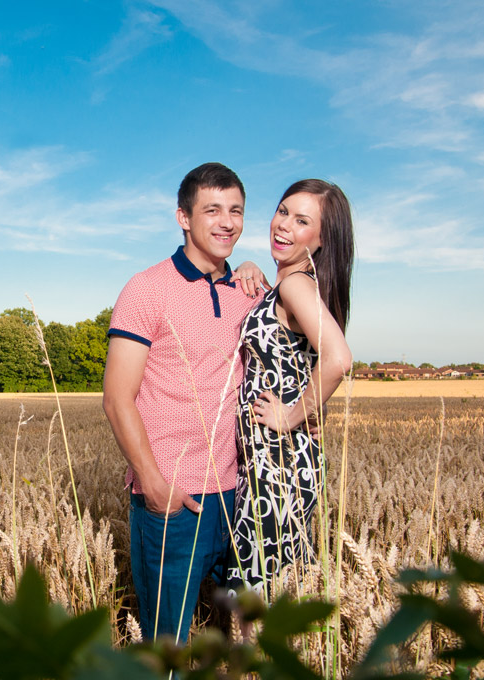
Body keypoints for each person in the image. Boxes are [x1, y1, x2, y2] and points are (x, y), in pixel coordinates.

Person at [102, 162, 263, 643]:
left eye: (236, 210)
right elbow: (117, 398)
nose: (226, 222)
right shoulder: (147, 288)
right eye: (212, 210)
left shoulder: (251, 292)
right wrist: (154, 484)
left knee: (241, 640)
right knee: (166, 641)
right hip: (174, 501)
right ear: (183, 217)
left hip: (241, 497)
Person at [225, 179, 354, 613]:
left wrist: (292, 416)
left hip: (278, 460)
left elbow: (338, 359)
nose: (283, 225)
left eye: (302, 221)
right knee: (274, 584)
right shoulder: (290, 284)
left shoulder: (296, 285)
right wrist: (248, 266)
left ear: (321, 240)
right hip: (271, 458)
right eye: (283, 211)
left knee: (257, 589)